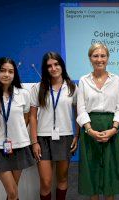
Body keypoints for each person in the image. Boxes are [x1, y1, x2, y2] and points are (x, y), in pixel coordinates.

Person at [76, 43, 119, 200]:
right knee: (92, 173)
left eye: (103, 56)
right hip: (90, 130)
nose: (99, 59)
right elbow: (81, 109)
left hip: (111, 129)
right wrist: (90, 130)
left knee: (109, 174)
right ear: (90, 58)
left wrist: (113, 130)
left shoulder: (116, 80)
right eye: (95, 56)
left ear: (107, 58)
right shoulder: (83, 80)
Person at [0, 57, 35, 200]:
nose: (7, 74)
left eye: (10, 71)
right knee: (12, 192)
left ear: (14, 74)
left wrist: (16, 132)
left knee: (13, 192)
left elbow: (26, 118)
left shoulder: (23, 94)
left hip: (19, 147)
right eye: (3, 70)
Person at [30, 52, 78, 200]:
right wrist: (34, 141)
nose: (53, 68)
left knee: (62, 178)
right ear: (45, 69)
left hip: (65, 137)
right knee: (46, 181)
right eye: (49, 66)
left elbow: (78, 114)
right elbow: (32, 116)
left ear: (62, 66)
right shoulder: (38, 88)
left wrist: (77, 135)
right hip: (43, 139)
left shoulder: (72, 87)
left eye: (56, 64)